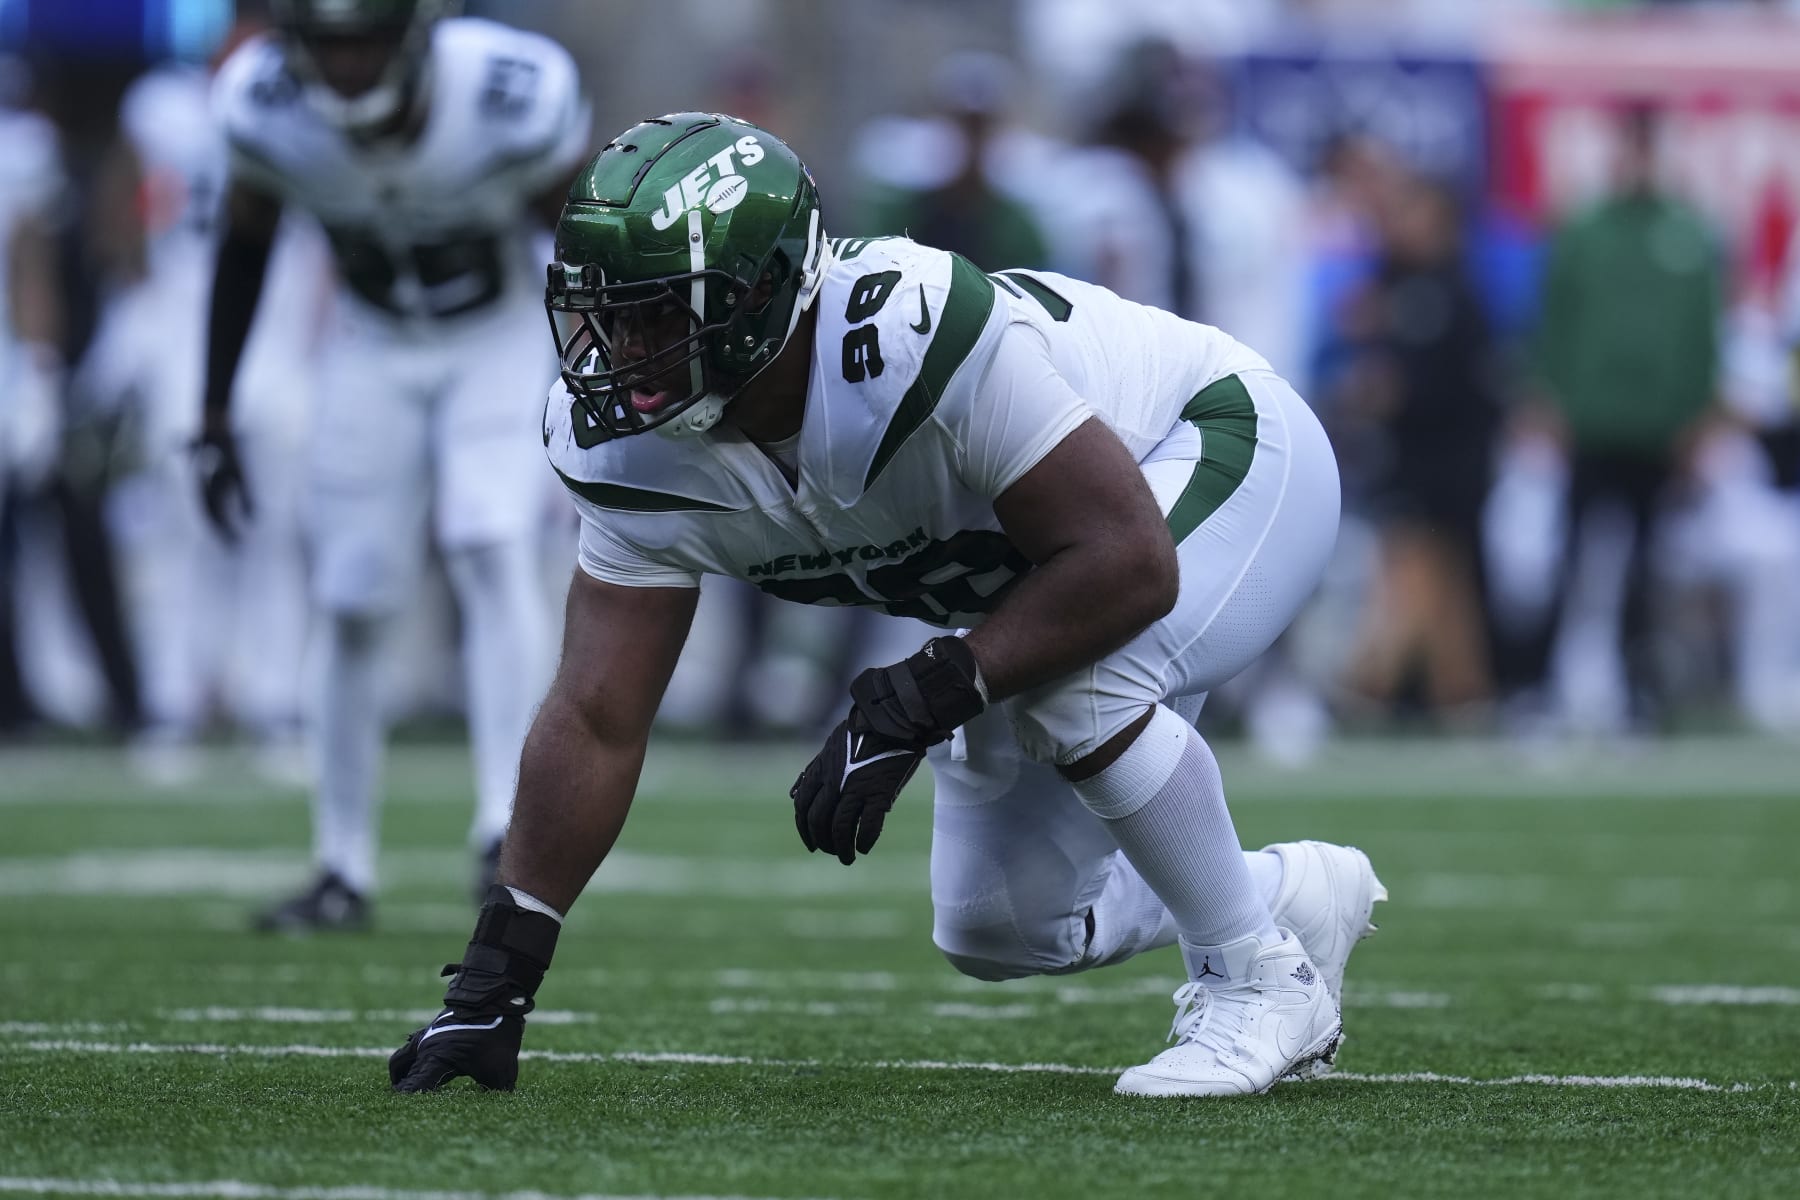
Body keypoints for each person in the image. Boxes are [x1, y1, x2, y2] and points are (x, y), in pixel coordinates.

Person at [388, 113, 1384, 1099]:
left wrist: (924, 694)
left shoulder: (904, 336)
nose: (624, 348)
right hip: (1064, 560)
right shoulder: (623, 452)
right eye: (609, 313)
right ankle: (1286, 895)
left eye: (662, 313)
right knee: (1002, 925)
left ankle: (1257, 978)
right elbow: (596, 717)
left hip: (1218, 445)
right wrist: (497, 975)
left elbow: (1127, 561)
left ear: (764, 294)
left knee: (1077, 689)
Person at [200, 0, 590, 929]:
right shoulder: (263, 106)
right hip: (370, 343)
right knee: (349, 594)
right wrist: (212, 411)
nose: (346, 65)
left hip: (496, 333)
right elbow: (245, 243)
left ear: (414, 36)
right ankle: (342, 867)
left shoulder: (505, 93)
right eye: (327, 44)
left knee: (490, 540)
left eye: (366, 40)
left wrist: (605, 369)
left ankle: (503, 829)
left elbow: (583, 238)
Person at [1532, 103, 1722, 731]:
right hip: (1591, 422)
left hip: (1657, 428)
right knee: (1570, 558)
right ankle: (1543, 690)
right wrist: (1547, 397)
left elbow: (1704, 333)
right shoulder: (1584, 231)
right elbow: (1552, 321)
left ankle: (1639, 693)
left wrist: (1699, 415)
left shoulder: (1689, 233)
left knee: (1647, 569)